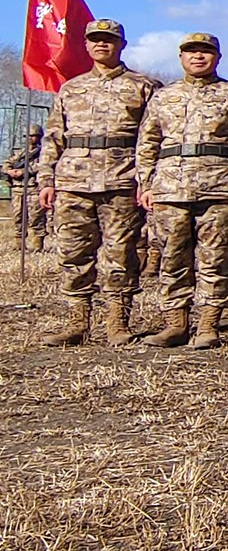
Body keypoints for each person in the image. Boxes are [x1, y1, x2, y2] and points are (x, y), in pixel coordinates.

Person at [36, 19, 160, 346]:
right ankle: (78, 321)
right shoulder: (71, 88)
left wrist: (146, 182)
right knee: (73, 253)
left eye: (109, 40)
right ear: (86, 46)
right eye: (95, 40)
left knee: (121, 253)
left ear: (122, 44)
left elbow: (153, 139)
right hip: (72, 181)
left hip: (122, 180)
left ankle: (117, 321)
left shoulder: (144, 87)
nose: (102, 45)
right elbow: (54, 137)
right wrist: (46, 178)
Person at [134, 33, 228, 349]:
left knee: (215, 258)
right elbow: (148, 142)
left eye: (206, 52)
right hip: (169, 190)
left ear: (218, 57)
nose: (198, 57)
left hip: (217, 189)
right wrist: (146, 182)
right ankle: (175, 324)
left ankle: (207, 326)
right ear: (180, 57)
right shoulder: (164, 97)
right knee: (172, 258)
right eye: (191, 52)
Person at [5, 125, 46, 251]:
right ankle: (19, 245)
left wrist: (25, 171)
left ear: (39, 137)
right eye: (28, 136)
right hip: (18, 189)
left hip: (33, 189)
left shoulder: (43, 153)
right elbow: (7, 163)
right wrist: (10, 171)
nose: (30, 138)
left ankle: (37, 246)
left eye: (33, 136)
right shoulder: (21, 153)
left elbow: (42, 166)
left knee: (36, 218)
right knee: (18, 217)